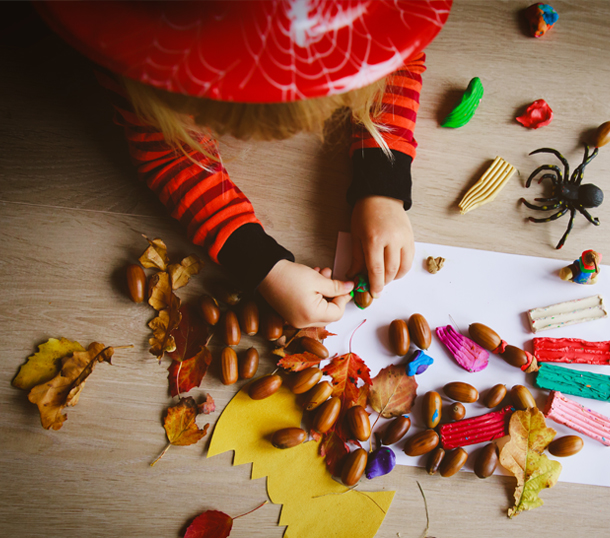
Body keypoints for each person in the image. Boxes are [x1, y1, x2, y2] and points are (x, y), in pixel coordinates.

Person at [37, 0, 452, 326]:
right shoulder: (132, 45)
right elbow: (169, 155)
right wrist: (261, 264)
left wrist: (383, 185)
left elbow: (398, 61)